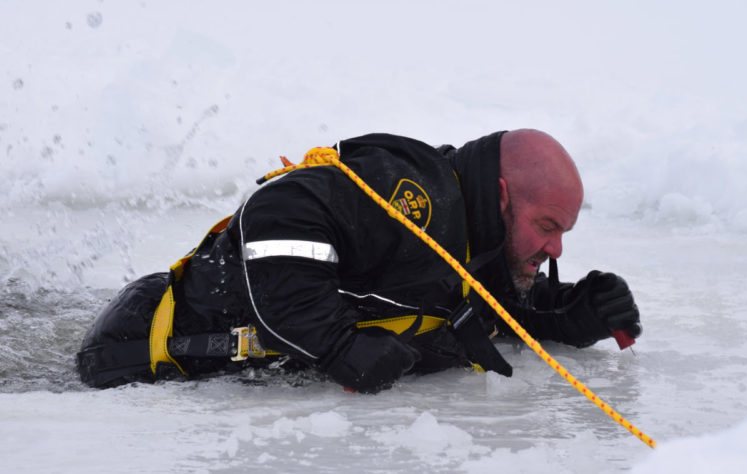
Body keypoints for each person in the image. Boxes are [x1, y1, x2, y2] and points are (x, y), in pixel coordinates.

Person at [77, 130, 642, 392]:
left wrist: (569, 312)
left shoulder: (473, 239)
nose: (556, 250)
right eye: (547, 227)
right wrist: (336, 344)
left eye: (563, 233)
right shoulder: (413, 197)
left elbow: (475, 303)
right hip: (137, 353)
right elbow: (277, 213)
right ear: (500, 198)